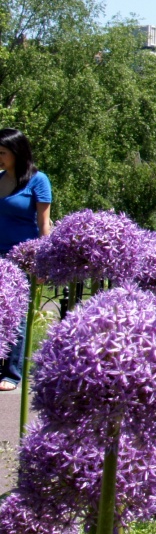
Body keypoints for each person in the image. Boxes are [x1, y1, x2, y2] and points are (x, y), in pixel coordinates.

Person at [0, 129, 51, 391]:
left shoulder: (38, 181)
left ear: (17, 153)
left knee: (15, 314)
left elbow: (44, 224)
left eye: (2, 152)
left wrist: (44, 261)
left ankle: (12, 373)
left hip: (20, 256)